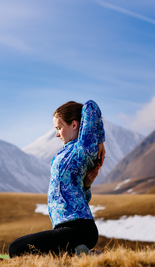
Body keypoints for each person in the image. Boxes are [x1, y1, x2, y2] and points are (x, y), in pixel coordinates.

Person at [8, 100, 105, 257]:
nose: (56, 133)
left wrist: (100, 139)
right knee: (37, 253)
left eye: (59, 128)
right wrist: (86, 186)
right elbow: (82, 199)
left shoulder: (83, 148)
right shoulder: (65, 153)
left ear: (74, 125)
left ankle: (83, 254)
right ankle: (79, 254)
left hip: (80, 227)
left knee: (15, 248)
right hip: (65, 228)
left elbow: (90, 106)